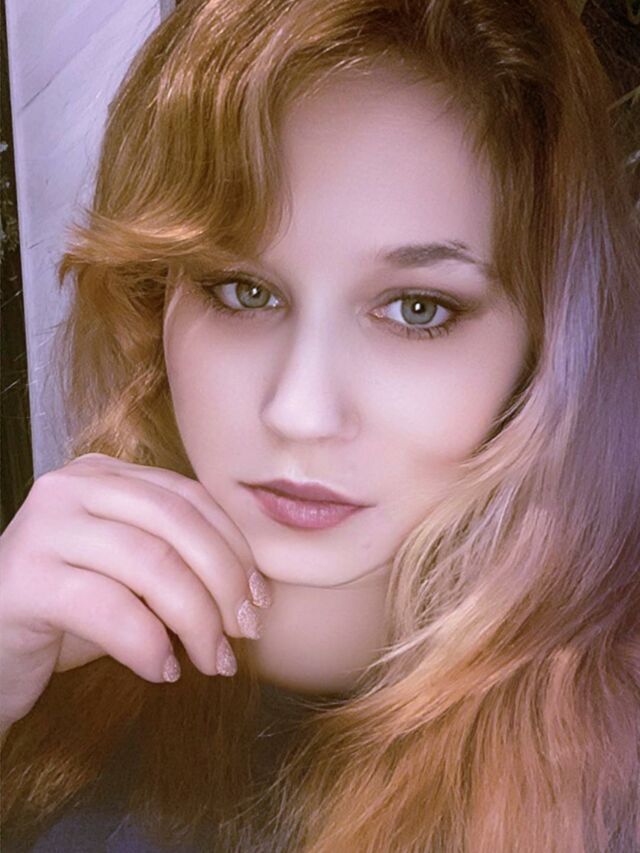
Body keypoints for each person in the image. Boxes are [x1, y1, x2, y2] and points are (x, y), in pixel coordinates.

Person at [1, 0, 639, 850]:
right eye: (243, 290)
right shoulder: (52, 652)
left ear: (546, 344)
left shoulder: (606, 771)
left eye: (416, 309)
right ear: (156, 300)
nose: (300, 410)